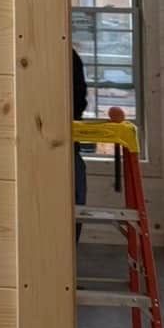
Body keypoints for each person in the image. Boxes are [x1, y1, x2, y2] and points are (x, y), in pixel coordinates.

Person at [72, 46, 88, 237]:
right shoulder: (70, 56)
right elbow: (80, 101)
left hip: (67, 146)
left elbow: (79, 101)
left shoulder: (69, 57)